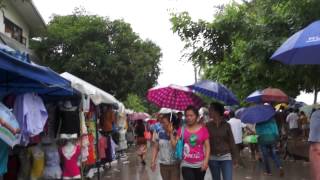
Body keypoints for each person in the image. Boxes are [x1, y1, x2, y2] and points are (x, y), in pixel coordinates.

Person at [171, 106, 210, 180]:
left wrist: (206, 161)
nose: (188, 118)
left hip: (200, 164)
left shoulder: (203, 129)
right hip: (186, 164)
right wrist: (170, 133)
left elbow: (207, 147)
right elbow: (174, 145)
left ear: (197, 116)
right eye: (187, 116)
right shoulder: (182, 129)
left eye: (191, 115)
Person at [207, 102, 238, 180]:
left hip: (226, 157)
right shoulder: (207, 125)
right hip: (212, 158)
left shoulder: (227, 125)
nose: (209, 111)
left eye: (210, 109)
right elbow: (204, 142)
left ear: (216, 111)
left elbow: (232, 142)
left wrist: (235, 158)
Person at [151, 114, 180, 180]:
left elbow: (174, 146)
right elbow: (156, 148)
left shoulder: (177, 133)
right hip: (163, 164)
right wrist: (153, 161)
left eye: (164, 123)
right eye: (162, 122)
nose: (162, 125)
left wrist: (171, 133)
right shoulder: (159, 133)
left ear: (170, 123)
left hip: (175, 164)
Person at [308, 109, 320, 180]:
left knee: (316, 174)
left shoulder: (316, 114)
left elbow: (314, 132)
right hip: (316, 145)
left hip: (316, 145)